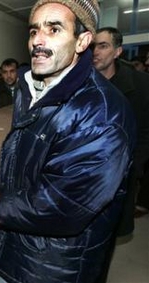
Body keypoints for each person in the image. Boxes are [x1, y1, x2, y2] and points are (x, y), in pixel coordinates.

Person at [0, 1, 136, 283]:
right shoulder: (30, 87)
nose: (38, 41)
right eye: (33, 31)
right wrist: (7, 195)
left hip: (52, 266)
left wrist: (1, 208)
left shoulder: (102, 113)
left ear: (82, 41)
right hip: (17, 247)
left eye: (54, 29)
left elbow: (64, 205)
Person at [93, 27, 149, 223]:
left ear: (118, 51)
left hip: (123, 171)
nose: (95, 52)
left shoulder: (141, 84)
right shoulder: (81, 83)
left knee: (113, 226)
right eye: (93, 46)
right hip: (87, 172)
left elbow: (146, 130)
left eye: (103, 46)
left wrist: (135, 165)